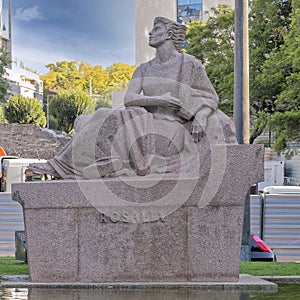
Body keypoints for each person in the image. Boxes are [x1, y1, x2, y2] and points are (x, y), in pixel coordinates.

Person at [29, 17, 236, 179]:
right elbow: (130, 98)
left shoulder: (189, 63)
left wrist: (200, 115)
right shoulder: (144, 69)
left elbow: (211, 96)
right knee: (88, 119)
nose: (150, 33)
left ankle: (62, 165)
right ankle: (108, 163)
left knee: (108, 115)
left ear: (169, 35)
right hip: (145, 123)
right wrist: (160, 100)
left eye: (156, 30)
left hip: (170, 132)